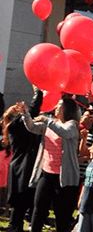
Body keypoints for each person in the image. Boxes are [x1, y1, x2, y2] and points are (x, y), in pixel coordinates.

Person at [20, 96, 80, 232]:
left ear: (66, 109)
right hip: (46, 174)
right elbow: (32, 127)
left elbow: (64, 133)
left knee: (61, 214)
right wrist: (26, 114)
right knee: (38, 208)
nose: (56, 107)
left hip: (63, 178)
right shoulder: (51, 122)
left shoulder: (72, 125)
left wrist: (47, 120)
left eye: (60, 105)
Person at [3, 88, 42, 232]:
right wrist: (38, 92)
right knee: (22, 199)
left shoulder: (11, 126)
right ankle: (15, 225)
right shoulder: (17, 124)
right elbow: (34, 108)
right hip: (24, 165)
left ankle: (15, 225)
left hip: (18, 165)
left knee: (19, 201)